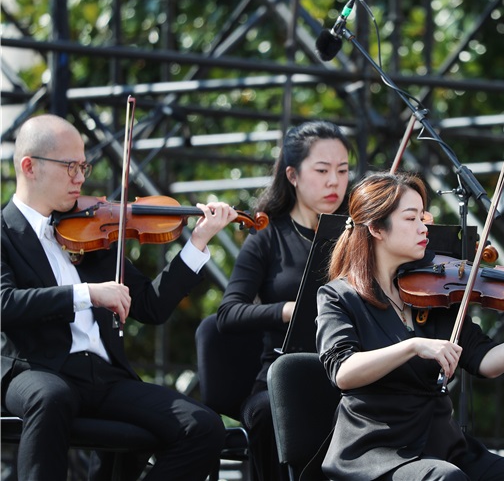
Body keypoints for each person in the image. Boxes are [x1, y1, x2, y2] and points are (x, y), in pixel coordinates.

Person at [1, 114, 238, 480]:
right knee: (51, 398)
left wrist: (198, 242)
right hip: (35, 368)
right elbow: (6, 304)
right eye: (69, 166)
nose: (80, 177)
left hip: (104, 376)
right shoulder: (3, 232)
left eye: (83, 165)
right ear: (30, 167)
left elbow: (151, 305)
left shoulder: (90, 226)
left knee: (203, 426)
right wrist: (86, 294)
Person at [314, 172, 504, 481]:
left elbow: (487, 362)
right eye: (411, 218)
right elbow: (343, 372)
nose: (424, 227)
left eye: (423, 216)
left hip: (445, 447)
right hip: (379, 453)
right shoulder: (339, 296)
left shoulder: (432, 294)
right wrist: (412, 346)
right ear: (377, 228)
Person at [216, 120, 351, 481]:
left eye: (342, 170)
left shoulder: (356, 236)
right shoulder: (266, 239)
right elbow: (228, 313)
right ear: (292, 175)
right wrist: (288, 311)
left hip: (350, 370)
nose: (334, 182)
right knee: (266, 414)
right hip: (282, 375)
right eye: (322, 170)